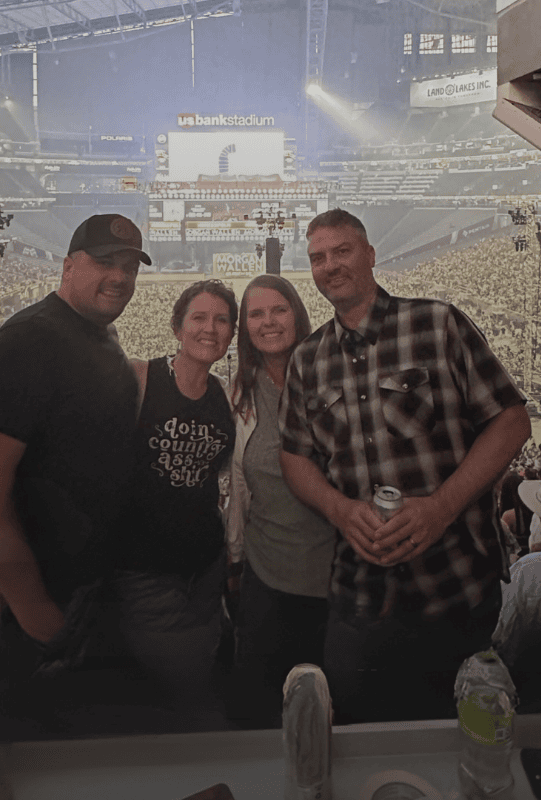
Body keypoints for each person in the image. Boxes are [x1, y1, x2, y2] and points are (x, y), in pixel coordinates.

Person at [279, 208, 531, 724]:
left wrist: (441, 507)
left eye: (341, 251)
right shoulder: (308, 359)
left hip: (455, 587)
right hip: (360, 599)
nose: (330, 266)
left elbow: (510, 421)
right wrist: (340, 510)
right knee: (360, 743)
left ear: (370, 255)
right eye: (318, 258)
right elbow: (294, 455)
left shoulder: (437, 323)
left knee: (466, 741)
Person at [0, 213, 149, 738]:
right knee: (28, 758)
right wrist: (37, 612)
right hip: (42, 607)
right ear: (67, 265)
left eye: (129, 266)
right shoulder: (30, 341)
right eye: (105, 261)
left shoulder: (94, 338)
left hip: (83, 591)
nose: (120, 277)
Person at [112, 279, 237, 731]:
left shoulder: (226, 397)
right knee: (193, 697)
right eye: (199, 318)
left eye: (222, 320)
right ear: (177, 327)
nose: (211, 329)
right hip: (144, 572)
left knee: (201, 670)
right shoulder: (140, 378)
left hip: (205, 569)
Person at [226, 274, 336, 727]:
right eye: (256, 313)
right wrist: (234, 558)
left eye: (279, 309)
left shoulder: (334, 375)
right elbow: (236, 485)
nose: (269, 322)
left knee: (332, 714)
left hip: (341, 580)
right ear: (245, 327)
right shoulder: (238, 395)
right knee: (259, 712)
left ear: (298, 313)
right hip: (266, 581)